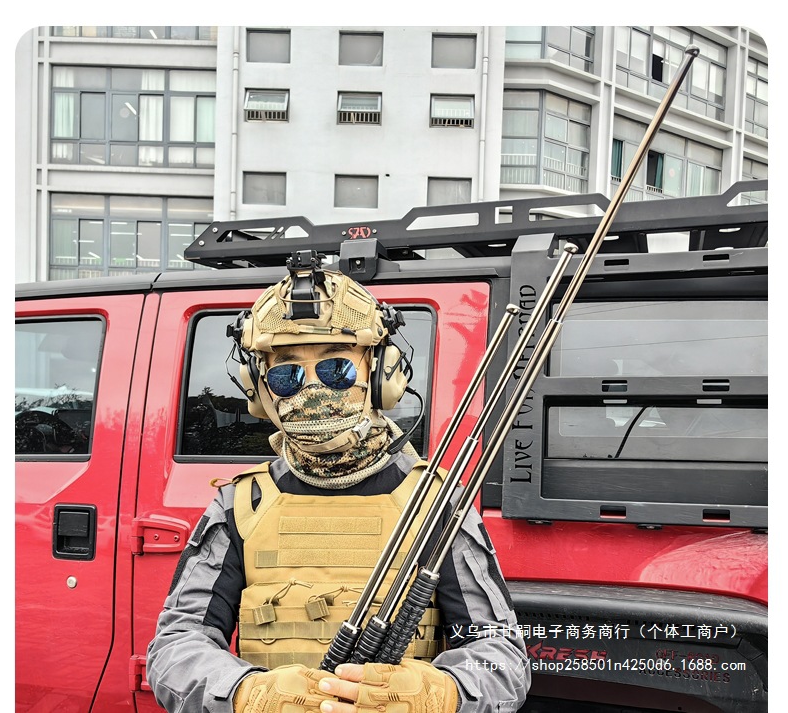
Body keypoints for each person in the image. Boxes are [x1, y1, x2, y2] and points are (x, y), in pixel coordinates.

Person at [146, 252, 530, 713]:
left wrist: (440, 693)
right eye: (286, 374)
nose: (313, 390)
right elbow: (175, 645)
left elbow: (502, 655)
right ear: (260, 389)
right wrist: (247, 693)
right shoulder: (241, 504)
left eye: (336, 369)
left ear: (380, 374)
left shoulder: (435, 504)